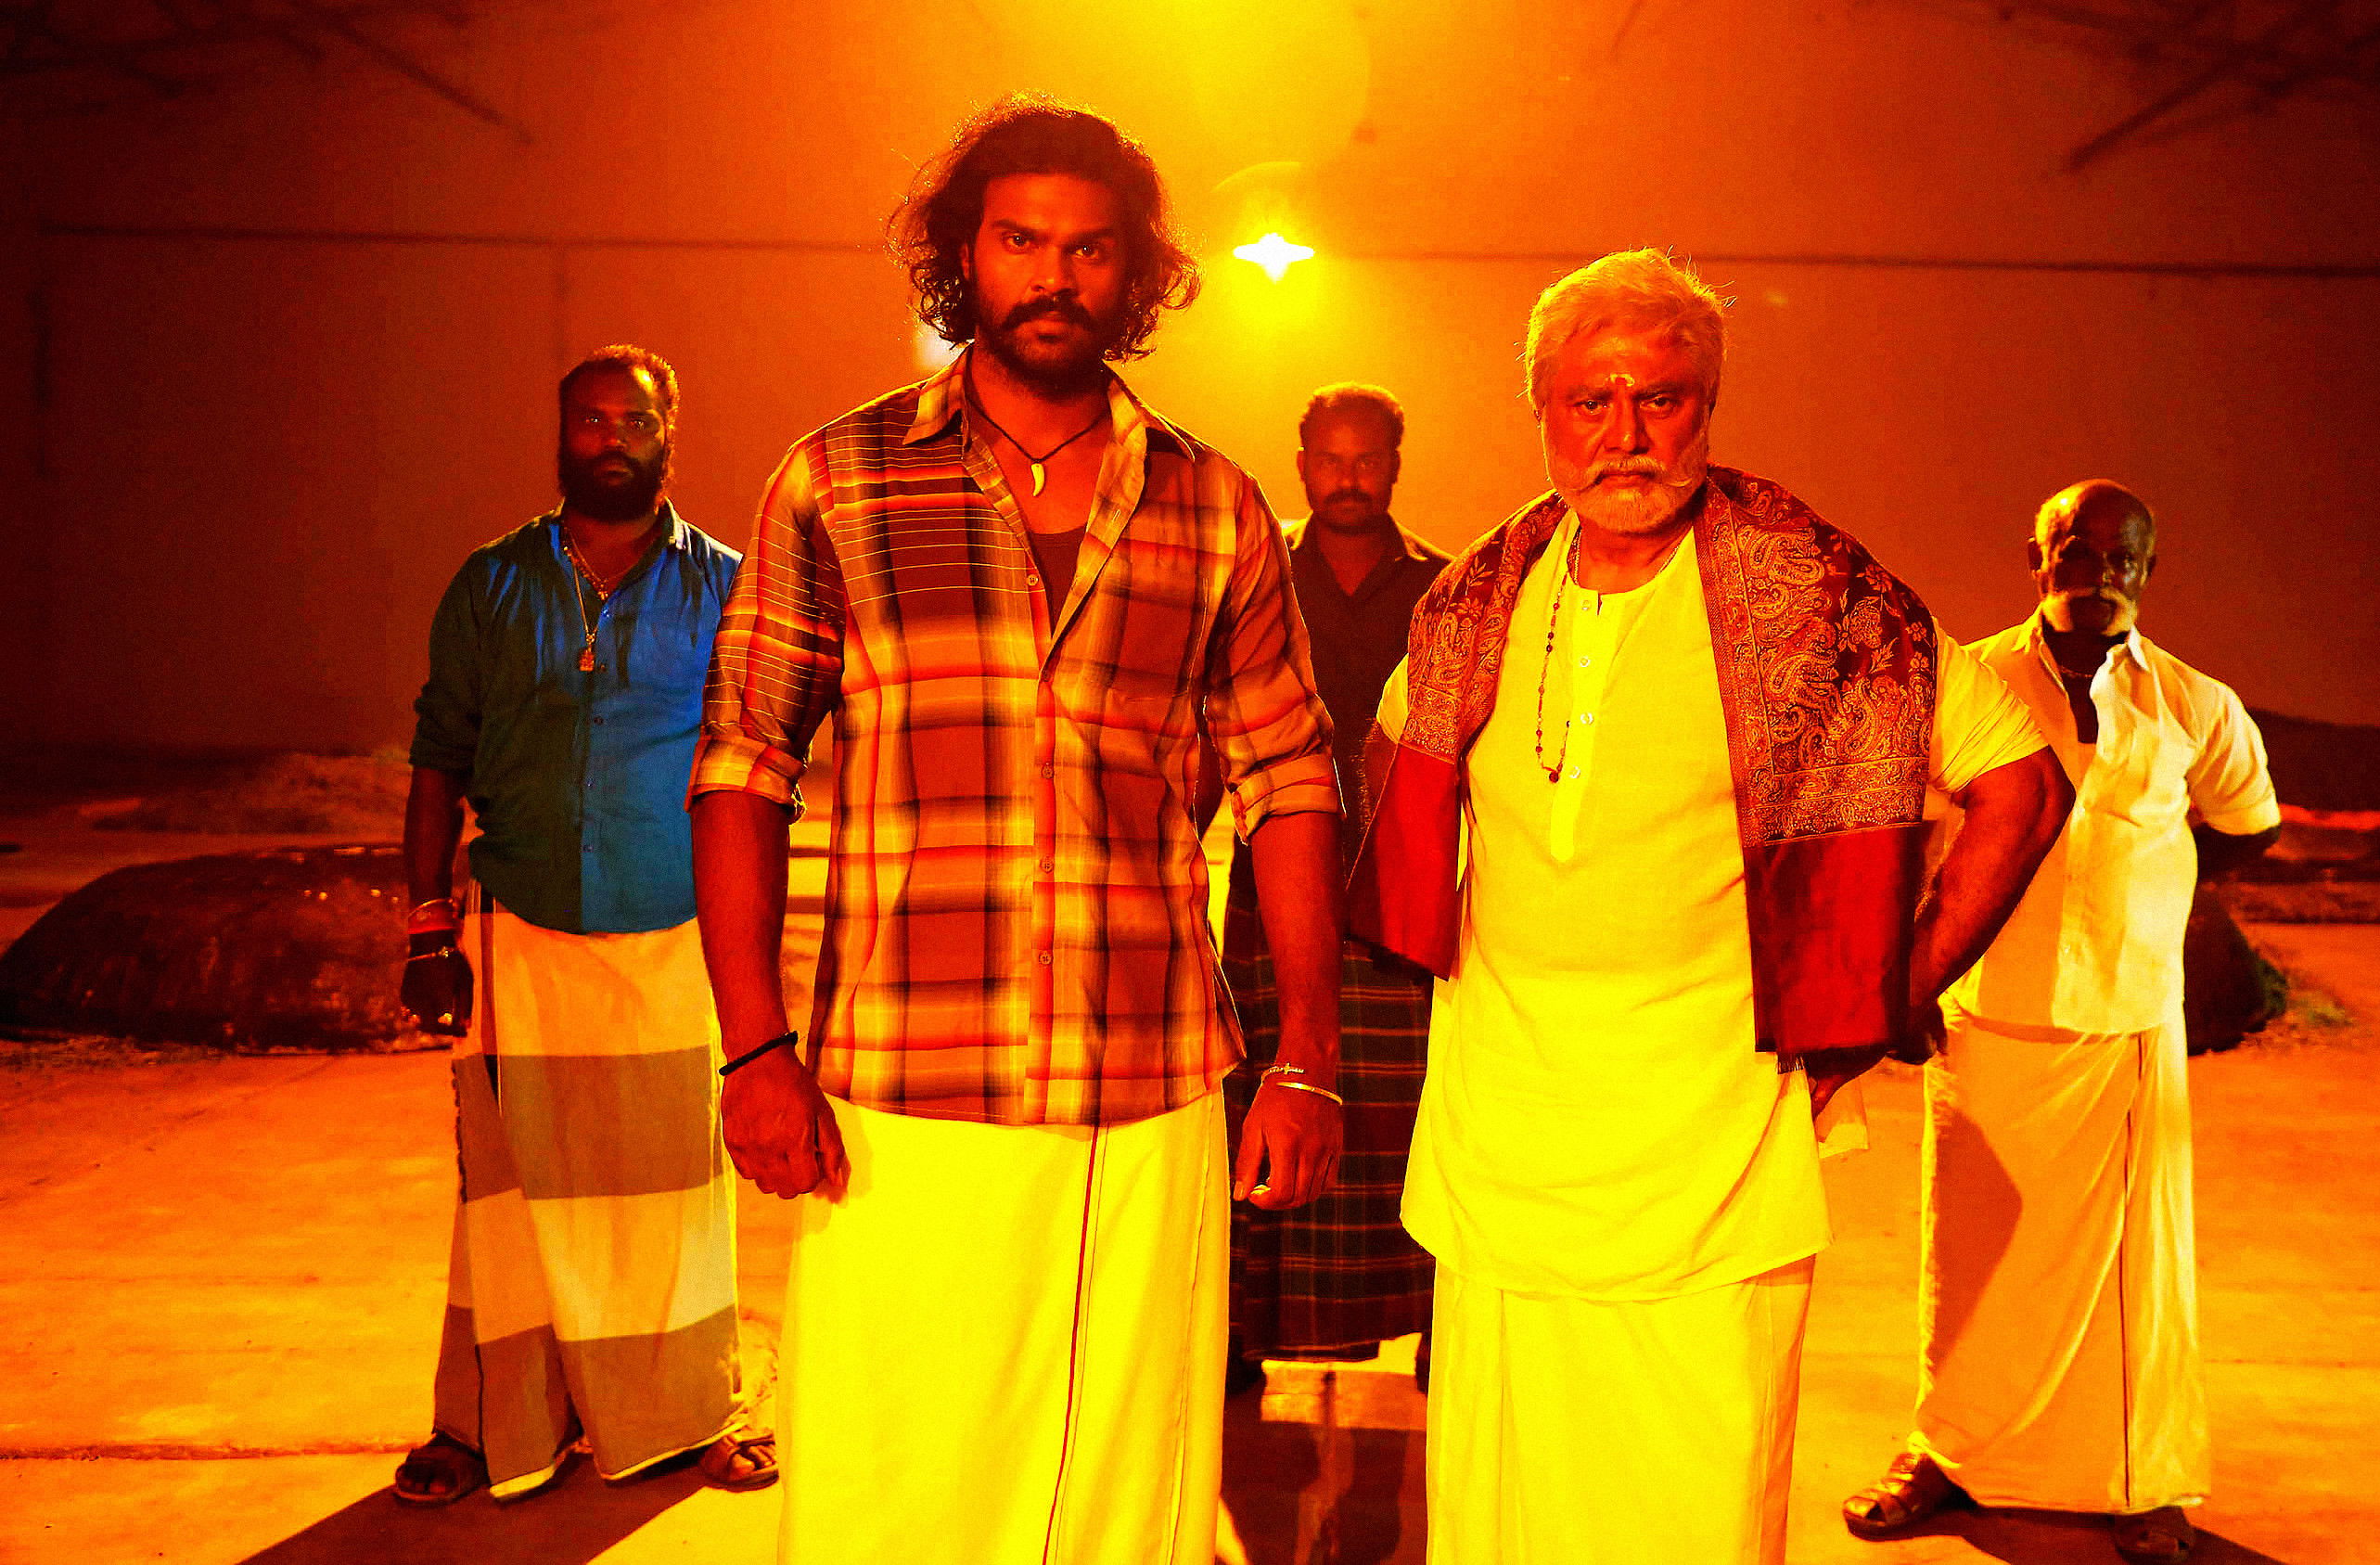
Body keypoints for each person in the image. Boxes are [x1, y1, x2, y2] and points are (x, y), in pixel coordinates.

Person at [685, 96, 1345, 1565]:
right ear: (961, 255)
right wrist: (752, 1048)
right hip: (897, 1083)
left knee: (1128, 1477)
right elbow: (742, 767)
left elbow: (1292, 776)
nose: (1055, 276)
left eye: (1090, 249)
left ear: (1137, 272)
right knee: (894, 1469)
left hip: (1146, 1078)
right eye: (1021, 241)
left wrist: (1305, 1054)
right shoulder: (838, 480)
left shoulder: (1213, 504)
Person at [1348, 249, 2075, 1563]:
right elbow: (1400, 807)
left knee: (1693, 1514)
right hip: (1505, 1152)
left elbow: (2020, 788)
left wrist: (1887, 997)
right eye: (1591, 400)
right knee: (1505, 1515)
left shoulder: (1814, 595)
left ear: (1708, 406)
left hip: (1716, 1156)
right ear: (1542, 412)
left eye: (1662, 398)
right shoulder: (1475, 601)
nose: (1626, 432)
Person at [1841, 481, 2280, 1563]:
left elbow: (2249, 824)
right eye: (2078, 551)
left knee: (2137, 1277)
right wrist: (1905, 982)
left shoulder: (2194, 702)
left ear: (2150, 570)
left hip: (2125, 1023)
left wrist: (2156, 899)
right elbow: (1899, 834)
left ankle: (2143, 1483)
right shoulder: (1969, 682)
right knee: (1971, 1257)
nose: (2101, 574)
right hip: (1988, 1012)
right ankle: (1945, 1451)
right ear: (2037, 557)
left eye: (2124, 557)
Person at [395, 345, 769, 1505]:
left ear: (671, 433)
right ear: (562, 436)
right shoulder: (492, 583)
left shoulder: (729, 588)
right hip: (523, 931)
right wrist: (425, 931)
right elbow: (438, 756)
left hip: (675, 933)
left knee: (675, 1196)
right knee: (509, 1203)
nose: (612, 439)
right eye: (591, 421)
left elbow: (761, 766)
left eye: (634, 421)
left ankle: (696, 1413)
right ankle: (486, 1424)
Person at [1222, 384, 1447, 1389]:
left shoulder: (1445, 591)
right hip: (1272, 885)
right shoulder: (1255, 577)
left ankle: (1439, 1324)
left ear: (1394, 464)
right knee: (1260, 1095)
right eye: (1331, 459)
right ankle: (1238, 1333)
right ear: (1303, 461)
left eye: (1368, 459)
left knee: (1413, 1114)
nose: (1348, 478)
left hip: (1402, 892)